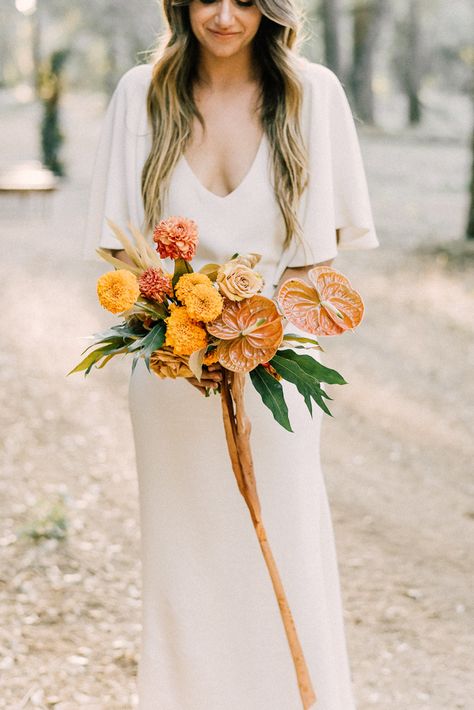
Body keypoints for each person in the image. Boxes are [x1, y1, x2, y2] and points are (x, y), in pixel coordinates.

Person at [83, 0, 379, 707]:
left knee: (286, 544)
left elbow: (314, 266)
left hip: (274, 367)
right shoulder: (140, 94)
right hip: (171, 373)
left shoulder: (314, 95)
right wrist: (183, 330)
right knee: (186, 562)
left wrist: (249, 337)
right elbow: (125, 250)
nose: (224, 15)